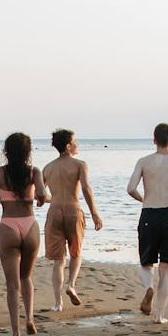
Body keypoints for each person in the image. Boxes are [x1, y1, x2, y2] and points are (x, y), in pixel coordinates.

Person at [126, 123, 168, 323]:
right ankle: (159, 315)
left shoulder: (143, 161)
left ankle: (149, 287)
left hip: (149, 213)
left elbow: (130, 188)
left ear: (154, 140)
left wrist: (144, 199)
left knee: (146, 263)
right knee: (166, 267)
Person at [0, 132, 44, 336]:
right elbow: (42, 195)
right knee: (27, 277)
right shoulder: (34, 172)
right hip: (30, 225)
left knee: (12, 285)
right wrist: (39, 197)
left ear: (6, 151)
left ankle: (16, 334)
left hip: (8, 227)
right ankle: (30, 319)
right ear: (28, 152)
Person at [41, 129, 102, 312]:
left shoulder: (48, 168)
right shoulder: (79, 164)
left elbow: (40, 194)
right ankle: (71, 285)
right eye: (75, 141)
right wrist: (95, 213)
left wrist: (54, 198)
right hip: (73, 210)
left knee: (58, 260)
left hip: (54, 212)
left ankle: (58, 302)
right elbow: (86, 189)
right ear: (68, 146)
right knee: (76, 253)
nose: (78, 144)